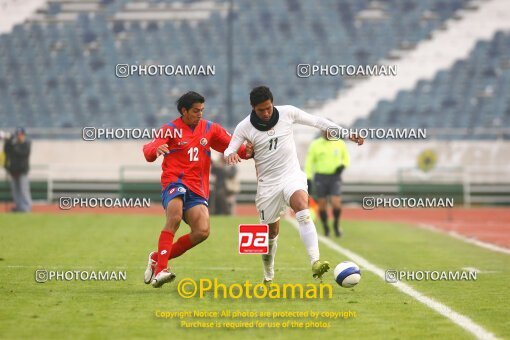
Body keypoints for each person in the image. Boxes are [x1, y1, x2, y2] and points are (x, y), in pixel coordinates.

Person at [224, 86, 363, 284]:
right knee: (270, 234)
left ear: (273, 103)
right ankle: (268, 272)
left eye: (269, 108)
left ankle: (315, 261)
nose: (266, 113)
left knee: (302, 209)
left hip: (291, 176)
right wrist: (230, 155)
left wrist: (346, 134)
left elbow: (318, 122)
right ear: (253, 108)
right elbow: (229, 148)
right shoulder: (244, 127)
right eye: (261, 110)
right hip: (268, 186)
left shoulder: (287, 112)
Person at [142, 91, 253, 288]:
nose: (200, 114)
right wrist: (155, 150)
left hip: (197, 188)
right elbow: (149, 150)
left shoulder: (210, 129)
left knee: (202, 231)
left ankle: (157, 258)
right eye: (195, 110)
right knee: (174, 217)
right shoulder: (169, 130)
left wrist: (249, 152)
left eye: (202, 110)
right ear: (184, 111)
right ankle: (161, 270)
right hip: (174, 182)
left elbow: (232, 146)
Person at [305, 130, 350, 237]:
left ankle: (336, 224)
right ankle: (325, 226)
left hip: (335, 177)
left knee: (336, 202)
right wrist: (308, 178)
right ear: (321, 131)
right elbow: (309, 162)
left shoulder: (340, 143)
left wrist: (343, 165)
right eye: (324, 131)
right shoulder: (315, 144)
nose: (327, 133)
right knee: (322, 205)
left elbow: (346, 158)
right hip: (320, 177)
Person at [4, 127, 32, 212]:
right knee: (15, 191)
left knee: (23, 190)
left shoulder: (26, 144)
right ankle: (19, 207)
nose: (19, 136)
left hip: (22, 171)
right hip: (13, 171)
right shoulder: (13, 144)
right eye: (18, 135)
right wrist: (8, 141)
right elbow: (6, 151)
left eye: (21, 135)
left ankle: (26, 207)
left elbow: (21, 152)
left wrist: (13, 144)